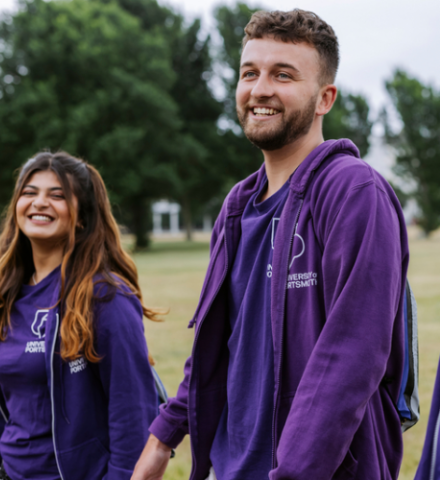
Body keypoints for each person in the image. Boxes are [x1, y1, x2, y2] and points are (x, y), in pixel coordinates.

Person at [132, 9, 409, 480]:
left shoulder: (352, 191)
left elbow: (352, 355)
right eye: (249, 73)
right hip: (232, 465)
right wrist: (163, 435)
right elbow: (221, 343)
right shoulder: (238, 206)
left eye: (283, 75)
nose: (260, 89)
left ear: (325, 98)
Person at [0, 152, 160, 480]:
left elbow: (132, 415)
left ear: (82, 217)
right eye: (29, 192)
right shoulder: (8, 296)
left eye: (57, 195)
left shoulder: (106, 296)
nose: (39, 202)